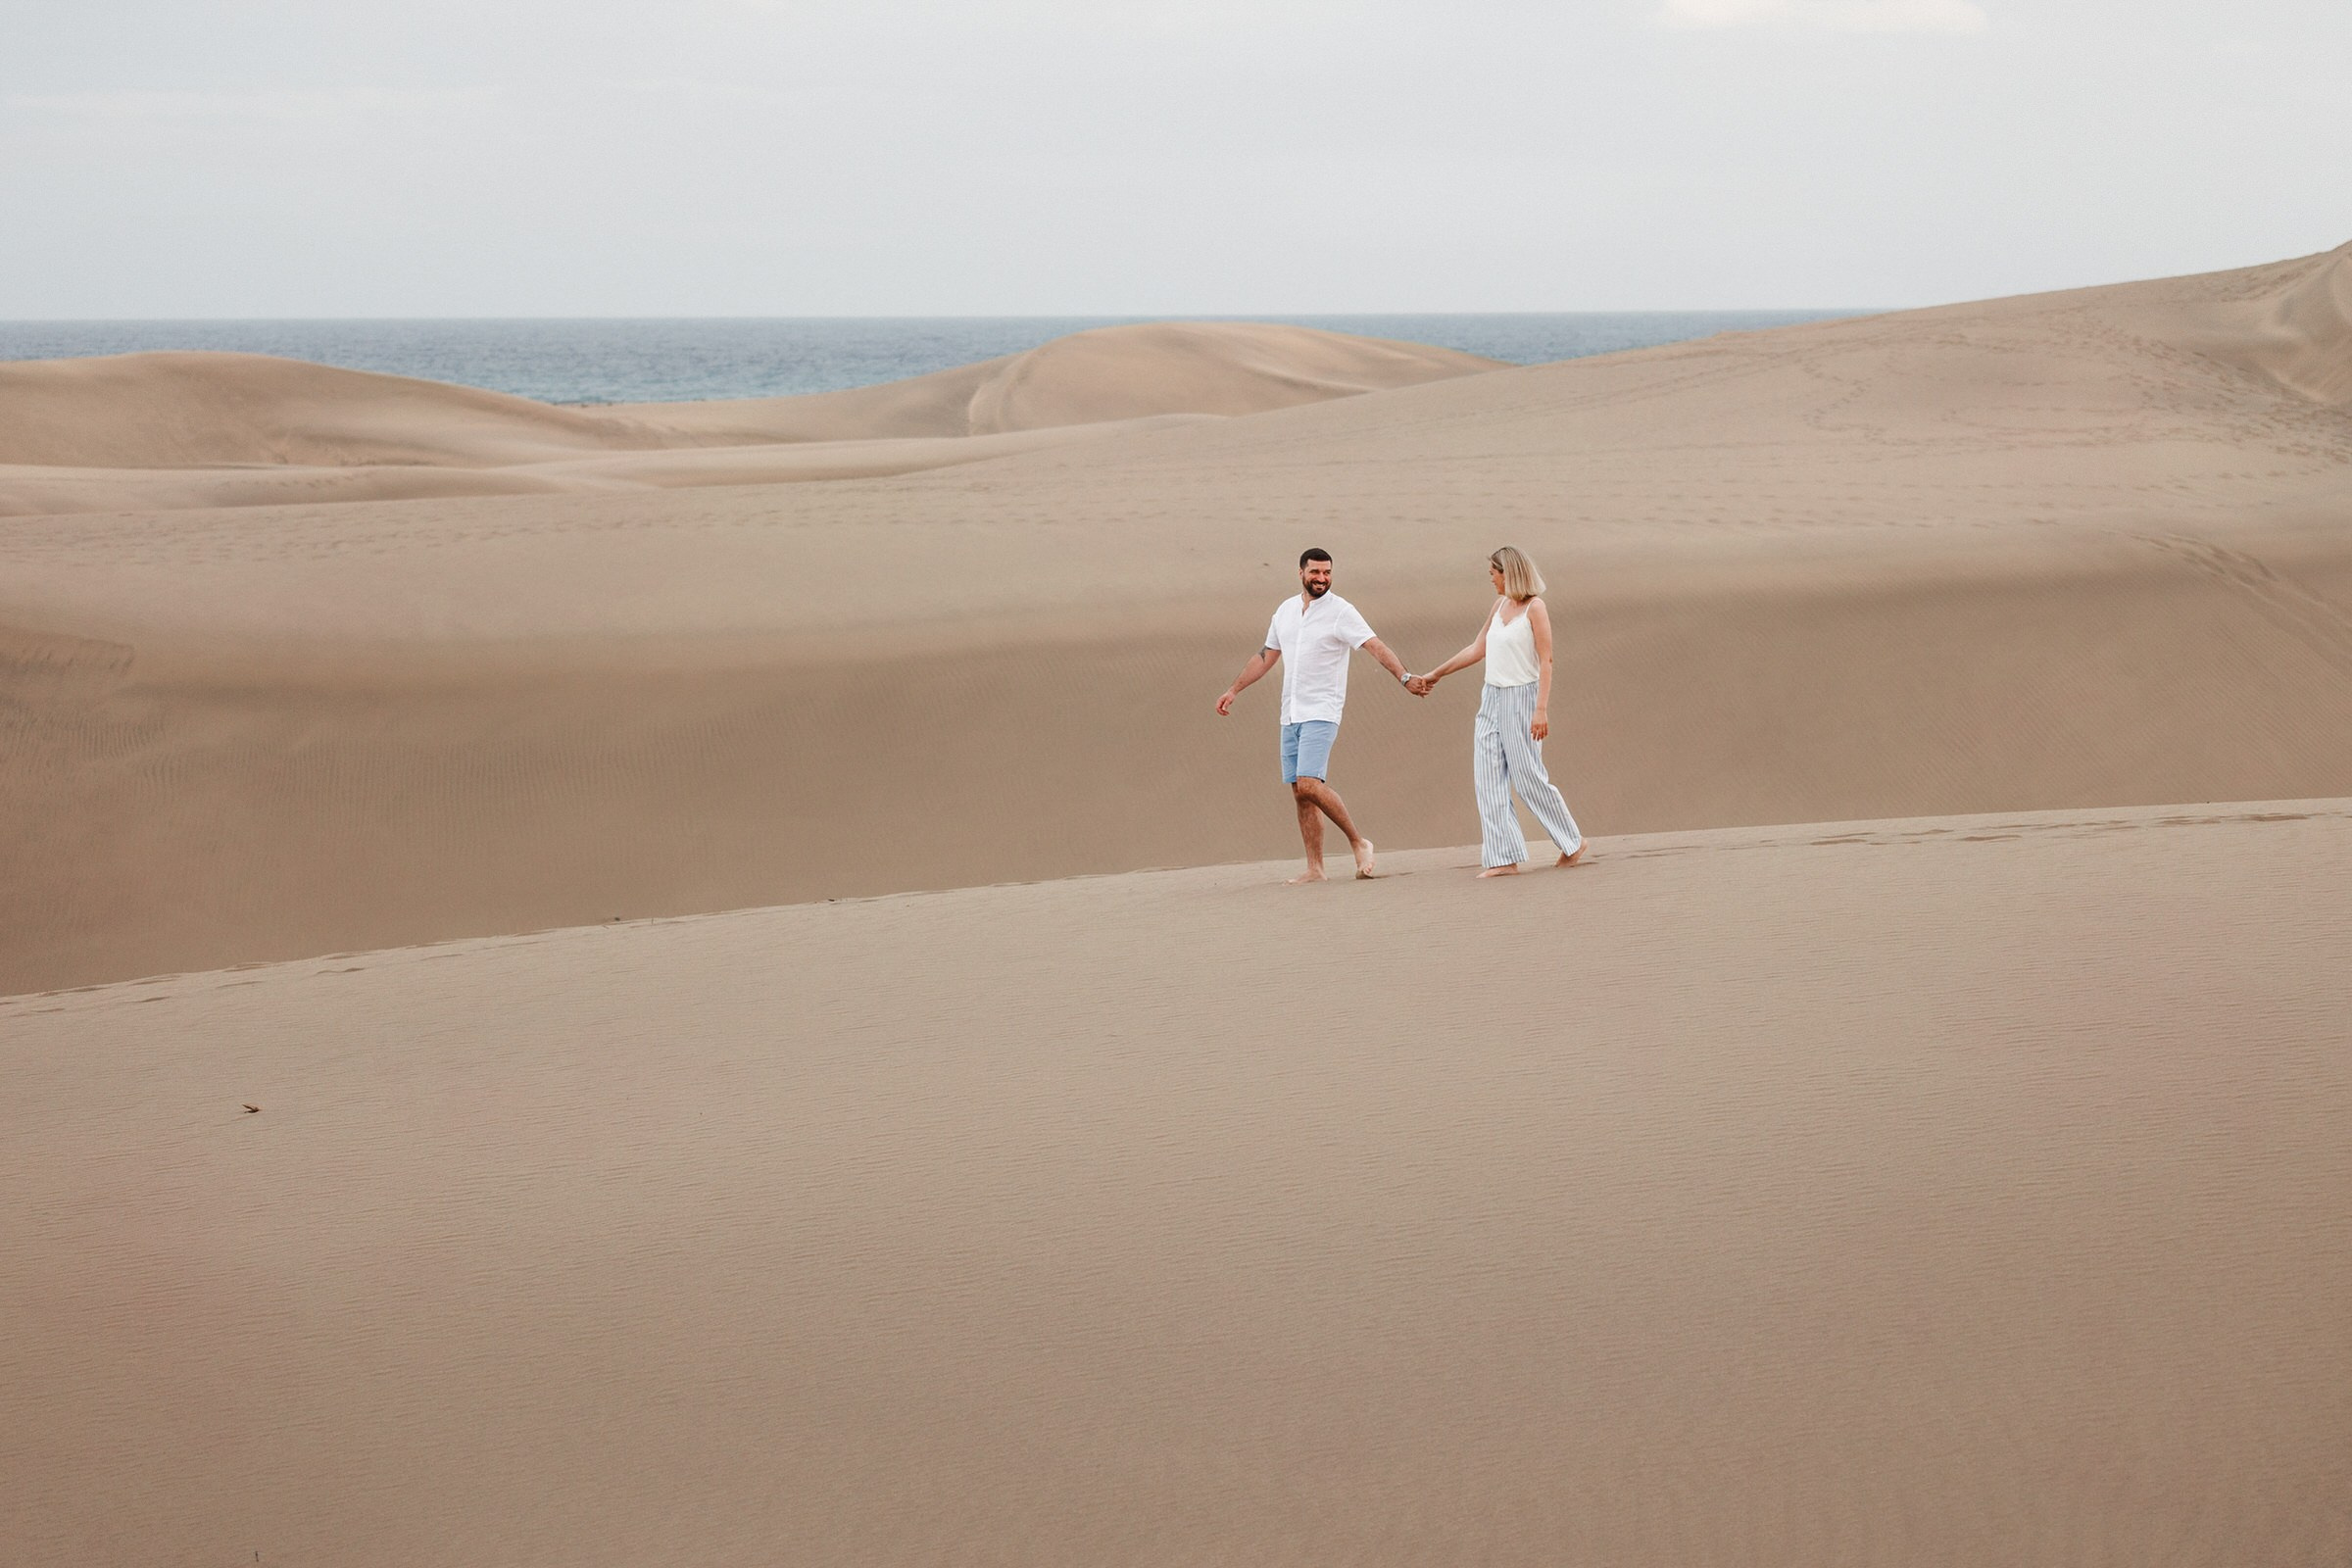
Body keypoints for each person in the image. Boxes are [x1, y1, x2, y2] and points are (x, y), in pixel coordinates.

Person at [1215, 548, 1416, 883]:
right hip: (1290, 712)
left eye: (1327, 573)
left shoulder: (1342, 612)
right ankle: (1315, 868)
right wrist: (1234, 690)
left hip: (1322, 709)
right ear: (1301, 573)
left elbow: (1374, 645)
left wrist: (1405, 677)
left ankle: (1358, 841)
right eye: (1315, 573)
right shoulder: (1285, 611)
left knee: (1310, 782)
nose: (1321, 578)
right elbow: (1266, 656)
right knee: (1300, 791)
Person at [1407, 546, 1586, 876]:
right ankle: (1503, 858)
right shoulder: (1499, 605)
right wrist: (1436, 673)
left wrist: (1541, 709)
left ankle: (1572, 842)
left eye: (1494, 574)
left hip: (1523, 699)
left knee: (1528, 776)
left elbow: (1546, 660)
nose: (1491, 580)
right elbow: (1477, 649)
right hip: (1491, 698)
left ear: (1509, 573)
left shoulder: (1535, 608)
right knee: (1487, 777)